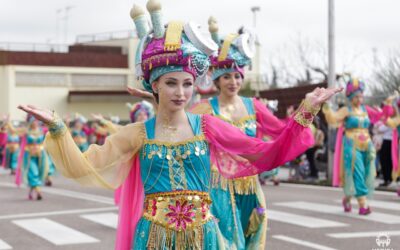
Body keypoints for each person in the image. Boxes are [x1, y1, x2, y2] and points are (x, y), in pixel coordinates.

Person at [18, 1, 341, 248]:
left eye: (188, 84)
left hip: (205, 238)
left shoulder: (208, 126)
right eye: (171, 83)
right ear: (154, 86)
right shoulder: (137, 134)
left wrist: (306, 112)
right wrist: (59, 128)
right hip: (155, 238)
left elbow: (265, 153)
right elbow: (85, 166)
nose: (181, 92)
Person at [190, 17, 288, 249]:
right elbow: (184, 130)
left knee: (253, 233)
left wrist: (306, 116)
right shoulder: (205, 108)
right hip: (219, 185)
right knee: (226, 239)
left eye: (237, 76)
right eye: (226, 76)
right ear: (216, 79)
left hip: (250, 184)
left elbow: (280, 130)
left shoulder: (253, 105)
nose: (233, 81)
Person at [323, 78, 389, 215]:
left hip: (367, 145)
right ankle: (362, 204)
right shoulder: (346, 110)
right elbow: (333, 119)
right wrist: (327, 107)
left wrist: (388, 105)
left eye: (361, 96)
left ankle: (347, 198)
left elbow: (381, 116)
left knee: (365, 174)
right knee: (357, 173)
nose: (360, 99)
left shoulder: (366, 109)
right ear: (351, 97)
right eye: (356, 96)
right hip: (351, 145)